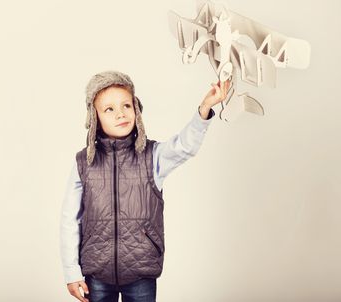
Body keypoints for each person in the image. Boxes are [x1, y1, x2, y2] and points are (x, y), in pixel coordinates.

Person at [60, 70, 230, 302]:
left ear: (136, 109)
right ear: (94, 117)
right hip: (96, 273)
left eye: (127, 106)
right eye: (109, 109)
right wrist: (71, 271)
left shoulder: (152, 156)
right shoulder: (84, 162)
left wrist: (204, 108)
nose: (121, 113)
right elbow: (70, 218)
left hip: (141, 272)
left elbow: (184, 147)